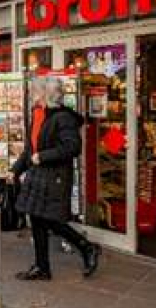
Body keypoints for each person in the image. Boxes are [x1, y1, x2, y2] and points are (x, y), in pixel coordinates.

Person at [12, 76, 101, 281]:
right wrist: (15, 170)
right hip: (38, 173)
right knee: (36, 218)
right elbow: (30, 149)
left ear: (45, 94)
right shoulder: (37, 114)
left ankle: (87, 248)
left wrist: (42, 156)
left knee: (51, 219)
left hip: (55, 176)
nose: (31, 94)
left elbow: (72, 147)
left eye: (35, 91)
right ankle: (42, 267)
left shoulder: (63, 117)